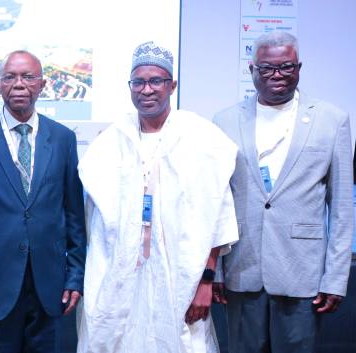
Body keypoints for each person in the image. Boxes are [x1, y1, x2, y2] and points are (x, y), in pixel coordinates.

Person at [76, 42, 239, 353]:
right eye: (138, 82)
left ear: (172, 85)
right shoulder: (109, 142)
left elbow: (217, 215)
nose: (146, 90)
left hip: (181, 275)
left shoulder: (202, 138)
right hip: (121, 278)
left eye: (156, 81)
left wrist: (206, 280)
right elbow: (92, 222)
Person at [212, 31, 353, 353]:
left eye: (286, 67)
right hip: (242, 268)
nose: (277, 75)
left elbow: (343, 208)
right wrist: (216, 269)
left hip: (302, 273)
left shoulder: (331, 120)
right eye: (267, 68)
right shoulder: (225, 121)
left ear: (299, 68)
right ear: (252, 70)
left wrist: (335, 278)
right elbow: (217, 201)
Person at [0, 50, 86, 353]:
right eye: (10, 77)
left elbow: (74, 214)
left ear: (43, 84)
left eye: (28, 76)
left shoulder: (63, 138)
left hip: (49, 287)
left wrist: (75, 277)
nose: (19, 84)